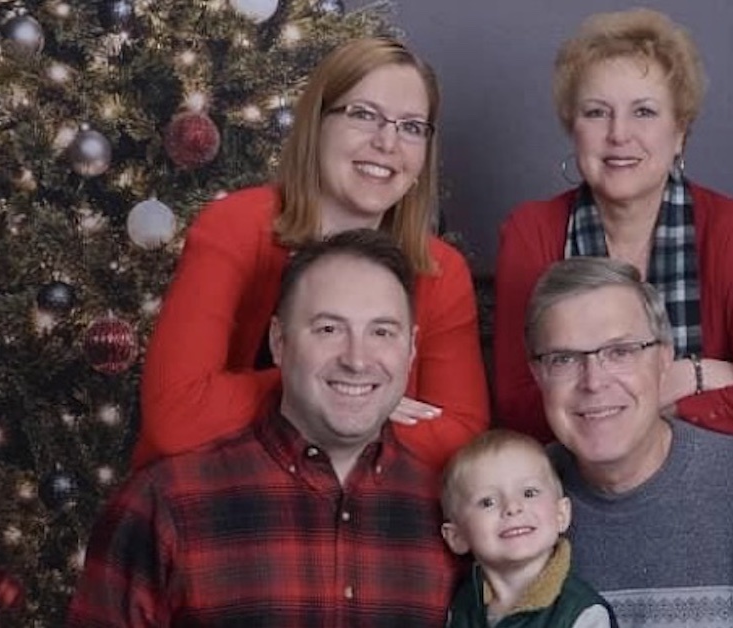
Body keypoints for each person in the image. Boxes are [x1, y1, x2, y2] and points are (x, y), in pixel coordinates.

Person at [67, 229, 460, 626]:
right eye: (329, 329)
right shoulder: (164, 505)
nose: (357, 360)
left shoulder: (455, 513)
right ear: (279, 341)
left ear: (411, 349)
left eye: (382, 332)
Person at [135, 37, 489, 472]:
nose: (388, 143)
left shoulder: (439, 269)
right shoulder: (234, 227)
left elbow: (462, 442)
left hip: (367, 503)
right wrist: (345, 399)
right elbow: (175, 417)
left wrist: (352, 411)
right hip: (219, 490)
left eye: (412, 127)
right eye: (363, 114)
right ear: (316, 123)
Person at [494, 8, 733, 447]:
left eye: (644, 111)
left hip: (709, 474)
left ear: (679, 132)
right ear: (572, 129)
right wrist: (694, 377)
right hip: (570, 483)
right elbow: (521, 411)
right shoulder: (532, 231)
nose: (619, 134)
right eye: (596, 112)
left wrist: (605, 406)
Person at [526, 257, 733, 628]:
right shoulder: (512, 506)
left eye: (621, 352)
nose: (594, 382)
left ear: (664, 359)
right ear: (537, 373)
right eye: (564, 358)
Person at [440, 429, 617, 628]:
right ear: (457, 536)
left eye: (529, 493)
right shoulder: (463, 605)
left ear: (561, 514)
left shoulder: (582, 613)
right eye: (487, 502)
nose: (513, 507)